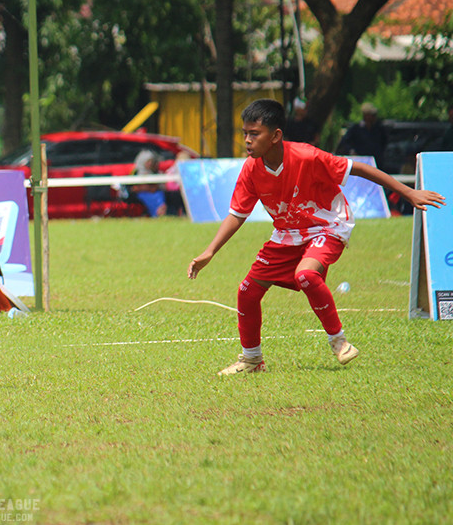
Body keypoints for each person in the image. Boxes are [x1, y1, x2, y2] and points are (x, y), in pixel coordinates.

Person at [187, 99, 445, 375]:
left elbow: (359, 169)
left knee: (306, 275)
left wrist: (408, 192)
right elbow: (237, 214)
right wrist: (210, 251)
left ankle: (339, 341)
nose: (247, 141)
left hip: (328, 226)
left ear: (275, 136)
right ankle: (252, 360)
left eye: (254, 134)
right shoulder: (251, 169)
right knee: (247, 292)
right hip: (287, 233)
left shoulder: (307, 156)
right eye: (245, 134)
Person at [130, 149, 166, 217]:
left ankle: (161, 212)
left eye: (151, 161)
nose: (150, 163)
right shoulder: (136, 172)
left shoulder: (154, 172)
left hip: (154, 193)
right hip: (141, 194)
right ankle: (155, 214)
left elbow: (158, 186)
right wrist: (149, 188)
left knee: (159, 194)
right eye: (148, 161)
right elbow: (135, 188)